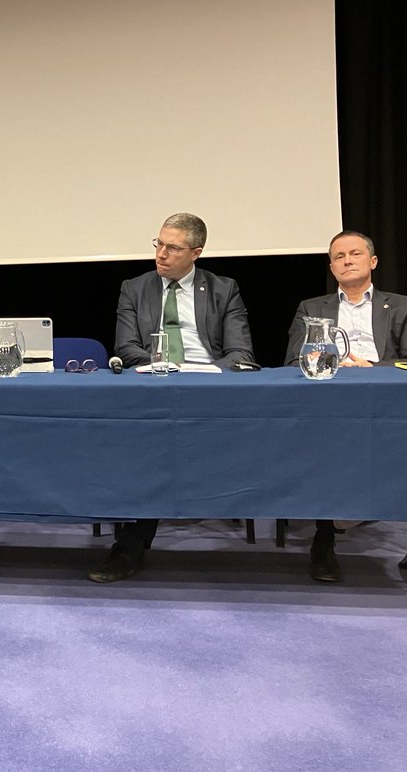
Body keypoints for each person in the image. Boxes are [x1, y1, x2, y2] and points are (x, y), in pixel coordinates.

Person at [90, 212, 256, 582]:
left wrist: (203, 376)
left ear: (196, 252)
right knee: (148, 448)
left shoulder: (223, 289)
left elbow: (240, 353)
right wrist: (166, 370)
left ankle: (132, 543)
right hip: (153, 388)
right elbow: (127, 347)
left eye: (173, 247)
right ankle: (130, 544)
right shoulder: (134, 288)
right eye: (158, 244)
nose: (161, 254)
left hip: (208, 391)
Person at [284, 229, 407, 582]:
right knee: (324, 442)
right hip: (327, 398)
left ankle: (349, 515)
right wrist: (329, 362)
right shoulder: (312, 308)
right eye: (339, 257)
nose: (347, 261)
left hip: (382, 397)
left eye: (355, 254)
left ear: (373, 262)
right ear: (332, 268)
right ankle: (325, 537)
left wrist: (369, 366)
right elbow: (291, 362)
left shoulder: (403, 305)